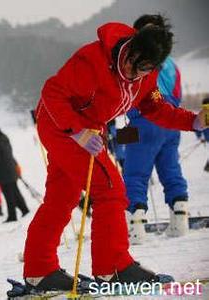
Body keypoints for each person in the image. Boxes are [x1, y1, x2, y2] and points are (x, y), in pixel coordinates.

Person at [23, 20, 208, 292]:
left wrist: (194, 121)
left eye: (143, 69)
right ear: (130, 48)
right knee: (110, 188)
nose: (133, 74)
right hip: (61, 125)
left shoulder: (147, 76)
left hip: (88, 130)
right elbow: (52, 92)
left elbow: (155, 108)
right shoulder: (92, 60)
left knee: (62, 198)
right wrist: (77, 131)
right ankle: (112, 268)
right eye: (132, 64)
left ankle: (40, 271)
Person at [123, 15, 191, 244]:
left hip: (143, 121)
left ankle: (136, 228)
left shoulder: (138, 58)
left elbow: (131, 92)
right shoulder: (172, 64)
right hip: (171, 123)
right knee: (171, 170)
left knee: (135, 174)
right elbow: (178, 95)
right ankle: (179, 219)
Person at [0, 126, 29, 223]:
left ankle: (12, 216)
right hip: (11, 169)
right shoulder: (5, 139)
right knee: (15, 192)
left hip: (4, 173)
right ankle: (24, 209)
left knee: (8, 195)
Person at [195, 97, 209, 172]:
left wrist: (200, 137)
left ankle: (207, 166)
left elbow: (197, 127)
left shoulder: (202, 113)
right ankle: (207, 166)